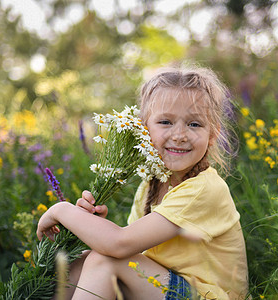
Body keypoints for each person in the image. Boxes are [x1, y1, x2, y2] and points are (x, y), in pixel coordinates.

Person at [37, 65, 249, 299]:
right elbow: (128, 248)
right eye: (166, 122)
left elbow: (119, 245)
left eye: (194, 124)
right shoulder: (151, 183)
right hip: (167, 285)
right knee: (77, 262)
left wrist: (62, 210)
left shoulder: (203, 189)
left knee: (104, 261)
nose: (179, 135)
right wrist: (91, 226)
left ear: (213, 134)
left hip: (206, 295)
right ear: (143, 128)